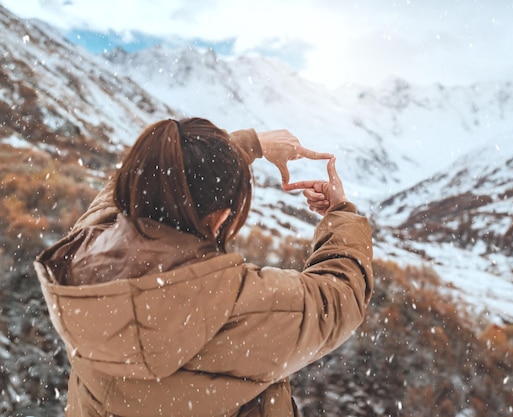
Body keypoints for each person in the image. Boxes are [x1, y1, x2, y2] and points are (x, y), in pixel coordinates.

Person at [34, 117, 374, 417]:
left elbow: (140, 185)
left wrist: (248, 146)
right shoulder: (244, 307)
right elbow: (340, 294)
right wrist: (339, 212)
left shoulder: (82, 258)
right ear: (220, 217)